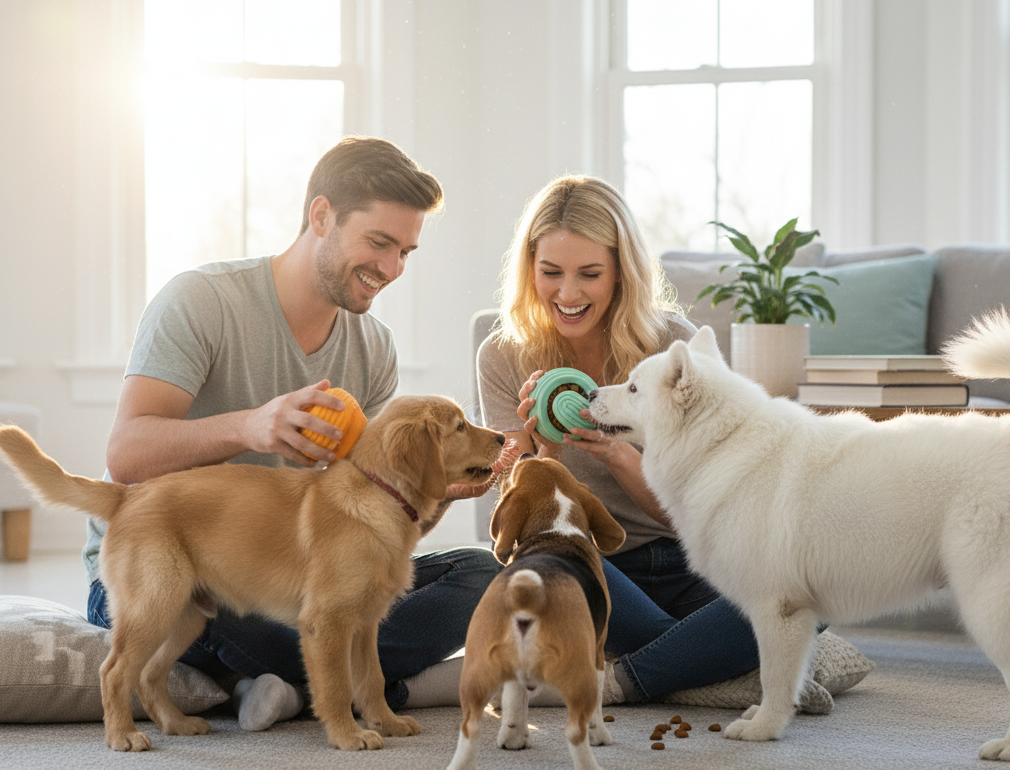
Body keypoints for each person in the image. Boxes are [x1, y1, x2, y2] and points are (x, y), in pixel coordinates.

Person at [83, 136, 508, 731]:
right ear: (320, 215)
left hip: (312, 575)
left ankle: (268, 683)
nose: (391, 269)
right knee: (316, 616)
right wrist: (251, 427)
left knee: (480, 576)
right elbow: (125, 455)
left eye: (406, 252)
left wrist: (437, 488)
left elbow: (383, 516)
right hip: (170, 566)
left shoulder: (374, 347)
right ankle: (341, 683)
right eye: (379, 242)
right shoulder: (202, 301)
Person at [478, 175, 854, 710]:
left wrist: (617, 453)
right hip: (592, 561)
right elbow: (521, 519)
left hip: (685, 558)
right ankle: (710, 666)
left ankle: (628, 678)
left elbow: (701, 511)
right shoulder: (503, 356)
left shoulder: (671, 348)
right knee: (537, 566)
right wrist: (550, 454)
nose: (568, 294)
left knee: (811, 584)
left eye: (590, 274)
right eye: (550, 273)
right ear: (528, 269)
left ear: (621, 273)